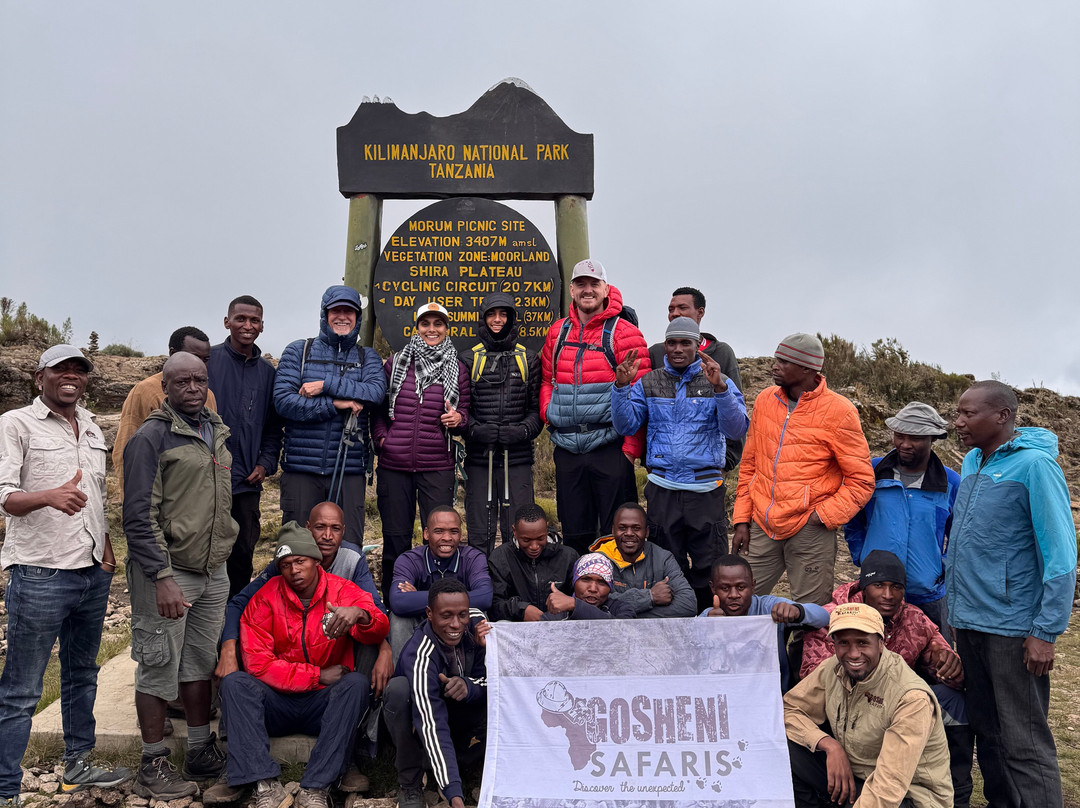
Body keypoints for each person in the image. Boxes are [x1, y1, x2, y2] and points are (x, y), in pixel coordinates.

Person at [0, 345, 132, 800]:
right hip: (40, 573)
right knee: (21, 690)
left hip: (91, 573)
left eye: (79, 370)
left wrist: (108, 556)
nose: (71, 376)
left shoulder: (93, 427)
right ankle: (4, 789)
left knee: (82, 674)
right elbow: (5, 497)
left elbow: (94, 500)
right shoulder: (16, 424)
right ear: (41, 377)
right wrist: (48, 496)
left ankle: (77, 766)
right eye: (61, 370)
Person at [947, 380, 1076, 807]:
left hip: (1013, 627)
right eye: (958, 412)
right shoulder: (970, 462)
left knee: (1025, 741)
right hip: (968, 622)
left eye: (968, 414)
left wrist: (1046, 631)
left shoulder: (1036, 467)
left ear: (1001, 416)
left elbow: (1060, 556)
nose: (958, 421)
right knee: (989, 732)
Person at [122, 351, 238, 799]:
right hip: (169, 575)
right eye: (182, 381)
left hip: (212, 572)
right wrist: (162, 576)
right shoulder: (152, 438)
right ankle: (152, 764)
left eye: (199, 380)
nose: (192, 388)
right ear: (165, 387)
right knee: (157, 666)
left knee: (197, 664)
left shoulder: (215, 431)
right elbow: (137, 515)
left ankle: (198, 750)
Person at [209, 523, 388, 808]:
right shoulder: (265, 597)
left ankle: (316, 786)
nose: (294, 571)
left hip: (322, 703)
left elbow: (379, 627)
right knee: (235, 683)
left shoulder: (342, 590)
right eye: (286, 564)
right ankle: (264, 785)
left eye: (301, 561)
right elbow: (259, 664)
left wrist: (361, 615)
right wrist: (317, 675)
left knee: (355, 684)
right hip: (276, 702)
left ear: (317, 561)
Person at [800, 551, 972, 807]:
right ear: (863, 587)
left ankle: (957, 796)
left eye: (896, 587)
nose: (888, 595)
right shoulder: (833, 618)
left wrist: (950, 666)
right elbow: (814, 681)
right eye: (879, 585)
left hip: (893, 708)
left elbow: (947, 668)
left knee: (954, 701)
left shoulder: (914, 619)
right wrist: (829, 745)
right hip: (842, 713)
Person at [612, 316, 748, 609]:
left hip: (705, 491)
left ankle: (706, 623)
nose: (676, 348)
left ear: (697, 346)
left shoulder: (716, 378)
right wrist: (621, 388)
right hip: (662, 490)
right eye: (671, 342)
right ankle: (672, 626)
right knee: (666, 566)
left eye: (685, 342)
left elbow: (737, 429)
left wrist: (722, 390)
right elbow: (625, 426)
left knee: (708, 567)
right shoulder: (649, 381)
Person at [732, 333, 874, 605]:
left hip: (810, 529)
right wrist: (741, 520)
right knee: (738, 605)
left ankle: (797, 651)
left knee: (810, 616)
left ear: (808, 369)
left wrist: (821, 516)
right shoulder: (764, 400)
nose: (775, 366)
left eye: (784, 362)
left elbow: (862, 480)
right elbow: (750, 465)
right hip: (762, 523)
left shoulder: (839, 411)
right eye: (776, 359)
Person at [215, 501, 393, 706]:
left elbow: (374, 610)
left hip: (335, 653)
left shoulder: (351, 558)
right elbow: (239, 604)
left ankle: (364, 720)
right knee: (243, 640)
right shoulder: (289, 557)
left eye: (335, 528)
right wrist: (228, 649)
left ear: (343, 531)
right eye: (320, 527)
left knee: (367, 648)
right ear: (308, 528)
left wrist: (385, 648)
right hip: (288, 658)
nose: (327, 536)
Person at [784, 603, 952, 808]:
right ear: (833, 644)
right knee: (786, 749)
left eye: (863, 643)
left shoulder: (910, 698)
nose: (853, 654)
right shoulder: (832, 668)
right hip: (858, 780)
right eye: (844, 643)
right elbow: (789, 709)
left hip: (908, 797)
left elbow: (889, 785)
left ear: (880, 643)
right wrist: (828, 745)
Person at [540, 259, 649, 553]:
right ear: (572, 290)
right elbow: (547, 380)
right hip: (568, 449)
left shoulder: (625, 332)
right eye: (581, 284)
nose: (587, 290)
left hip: (610, 447)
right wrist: (549, 414)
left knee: (617, 533)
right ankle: (579, 594)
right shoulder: (557, 332)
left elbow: (639, 396)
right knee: (575, 531)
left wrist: (629, 452)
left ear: (605, 288)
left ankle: (620, 595)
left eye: (594, 284)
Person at [274, 285, 386, 547]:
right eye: (336, 311)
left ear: (358, 318)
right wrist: (337, 403)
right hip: (301, 469)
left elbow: (375, 393)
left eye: (350, 312)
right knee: (296, 549)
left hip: (349, 469)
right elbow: (284, 402)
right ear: (325, 315)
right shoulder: (298, 352)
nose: (343, 317)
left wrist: (325, 385)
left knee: (348, 548)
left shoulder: (367, 356)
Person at [374, 302, 471, 603]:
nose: (432, 329)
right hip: (394, 465)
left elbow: (465, 412)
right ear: (416, 328)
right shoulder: (395, 363)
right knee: (396, 540)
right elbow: (377, 410)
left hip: (436, 466)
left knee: (441, 540)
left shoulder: (458, 367)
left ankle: (438, 602)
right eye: (425, 324)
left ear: (446, 328)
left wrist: (459, 420)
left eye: (438, 324)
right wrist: (382, 440)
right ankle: (394, 605)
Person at [844, 402, 959, 640]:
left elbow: (960, 535)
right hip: (876, 591)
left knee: (937, 666)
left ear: (933, 439)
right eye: (899, 436)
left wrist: (943, 569)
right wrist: (862, 556)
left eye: (915, 438)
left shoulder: (951, 482)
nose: (904, 445)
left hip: (928, 594)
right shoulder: (872, 471)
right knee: (872, 663)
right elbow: (853, 520)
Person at [383, 578, 490, 808]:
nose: (455, 624)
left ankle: (477, 770)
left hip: (463, 720)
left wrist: (468, 685)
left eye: (462, 615)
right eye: (446, 616)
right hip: (424, 723)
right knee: (398, 690)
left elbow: (498, 683)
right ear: (429, 614)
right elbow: (431, 721)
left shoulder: (478, 624)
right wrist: (454, 795)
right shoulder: (420, 654)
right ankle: (411, 780)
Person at [207, 295, 283, 598]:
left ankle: (232, 630)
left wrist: (265, 463)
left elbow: (273, 427)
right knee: (205, 552)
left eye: (254, 320)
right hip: (206, 480)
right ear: (227, 322)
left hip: (246, 483)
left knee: (242, 555)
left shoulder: (268, 374)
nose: (247, 325)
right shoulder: (207, 362)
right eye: (240, 319)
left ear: (262, 326)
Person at [460, 293, 542, 555]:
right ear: (483, 319)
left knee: (517, 531)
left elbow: (536, 410)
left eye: (503, 314)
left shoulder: (528, 359)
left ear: (512, 319)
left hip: (517, 459)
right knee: (479, 531)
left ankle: (514, 589)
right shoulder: (468, 359)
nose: (497, 320)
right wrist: (475, 430)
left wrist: (522, 431)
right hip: (479, 459)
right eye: (492, 315)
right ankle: (481, 588)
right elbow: (461, 411)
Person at [646, 286, 744, 471]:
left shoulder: (722, 353)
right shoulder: (656, 353)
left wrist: (727, 461)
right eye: (671, 309)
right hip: (662, 472)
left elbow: (735, 408)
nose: (675, 313)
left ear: (700, 313)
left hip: (707, 474)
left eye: (682, 308)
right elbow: (645, 412)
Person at [112, 326, 218, 497]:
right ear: (172, 352)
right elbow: (126, 452)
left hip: (201, 502)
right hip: (163, 502)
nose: (198, 364)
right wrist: (135, 505)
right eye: (192, 356)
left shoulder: (208, 396)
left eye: (205, 359)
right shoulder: (145, 392)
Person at [700, 554, 828, 692]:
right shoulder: (708, 616)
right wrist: (706, 627)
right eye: (725, 588)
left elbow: (823, 616)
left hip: (774, 694)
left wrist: (797, 611)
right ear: (713, 588)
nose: (733, 595)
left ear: (753, 585)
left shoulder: (768, 607)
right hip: (726, 693)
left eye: (741, 587)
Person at [388, 506, 491, 658]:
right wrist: (459, 599)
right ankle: (403, 678)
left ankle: (479, 677)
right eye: (439, 531)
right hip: (423, 624)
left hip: (459, 625)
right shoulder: (409, 560)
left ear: (461, 534)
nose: (447, 538)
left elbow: (485, 597)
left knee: (481, 615)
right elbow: (397, 601)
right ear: (426, 533)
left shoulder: (473, 558)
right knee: (398, 619)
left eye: (453, 532)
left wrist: (418, 598)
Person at [589, 502, 696, 619]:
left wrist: (625, 614)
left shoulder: (663, 558)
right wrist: (650, 597)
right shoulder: (596, 561)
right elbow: (593, 605)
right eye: (622, 528)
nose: (629, 533)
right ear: (613, 530)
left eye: (636, 528)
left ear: (647, 532)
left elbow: (688, 604)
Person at [487, 504, 578, 622]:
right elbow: (494, 605)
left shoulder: (568, 556)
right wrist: (521, 610)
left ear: (546, 528)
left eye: (541, 538)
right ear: (514, 531)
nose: (534, 546)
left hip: (561, 625)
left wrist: (569, 603)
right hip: (518, 627)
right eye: (526, 540)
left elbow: (584, 599)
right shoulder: (500, 558)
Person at [530, 553, 637, 621]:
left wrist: (574, 604)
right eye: (586, 579)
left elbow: (621, 630)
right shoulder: (553, 617)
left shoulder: (622, 609)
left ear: (610, 587)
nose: (593, 589)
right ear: (574, 582)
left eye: (602, 582)